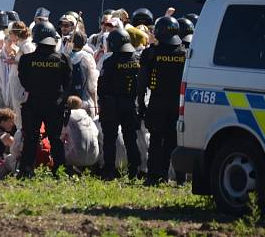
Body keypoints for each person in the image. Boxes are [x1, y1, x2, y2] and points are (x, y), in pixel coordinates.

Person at [137, 16, 187, 185]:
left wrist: (141, 102)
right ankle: (178, 178)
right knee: (174, 140)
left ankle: (153, 176)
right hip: (177, 103)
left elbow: (142, 81)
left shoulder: (151, 52)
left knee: (156, 140)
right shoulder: (184, 53)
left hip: (157, 101)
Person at [17, 21, 70, 176]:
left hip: (33, 102)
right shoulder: (63, 59)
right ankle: (59, 170)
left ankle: (27, 168)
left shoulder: (26, 60)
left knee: (31, 137)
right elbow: (67, 83)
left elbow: (24, 82)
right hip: (55, 103)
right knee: (55, 138)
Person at [98, 28, 141, 180]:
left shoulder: (109, 62)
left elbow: (101, 86)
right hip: (130, 104)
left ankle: (109, 171)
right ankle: (134, 171)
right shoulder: (136, 60)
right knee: (131, 138)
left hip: (111, 105)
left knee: (110, 139)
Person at [62, 96, 99, 171]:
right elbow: (96, 132)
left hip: (76, 158)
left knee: (61, 141)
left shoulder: (68, 117)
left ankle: (68, 168)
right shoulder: (88, 118)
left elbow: (62, 135)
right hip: (94, 158)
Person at [67, 31, 98, 118]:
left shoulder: (64, 57)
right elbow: (93, 86)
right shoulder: (87, 57)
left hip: (68, 102)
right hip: (85, 103)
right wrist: (95, 105)